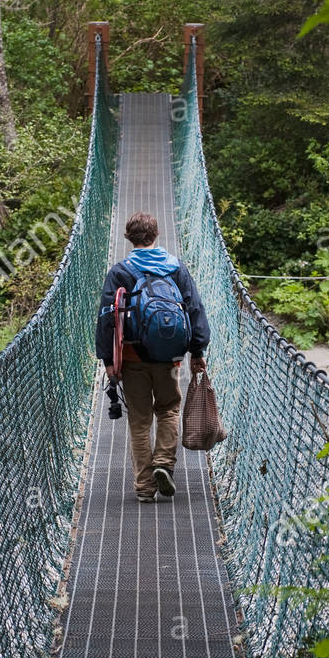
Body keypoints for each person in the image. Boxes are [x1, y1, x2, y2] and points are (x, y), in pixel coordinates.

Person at [95, 212, 210, 502]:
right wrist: (197, 351)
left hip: (133, 358)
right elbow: (194, 309)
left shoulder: (120, 271)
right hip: (170, 358)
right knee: (169, 408)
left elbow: (107, 319)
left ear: (128, 237)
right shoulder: (176, 268)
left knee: (139, 420)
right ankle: (163, 463)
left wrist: (108, 360)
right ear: (156, 235)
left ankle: (145, 487)